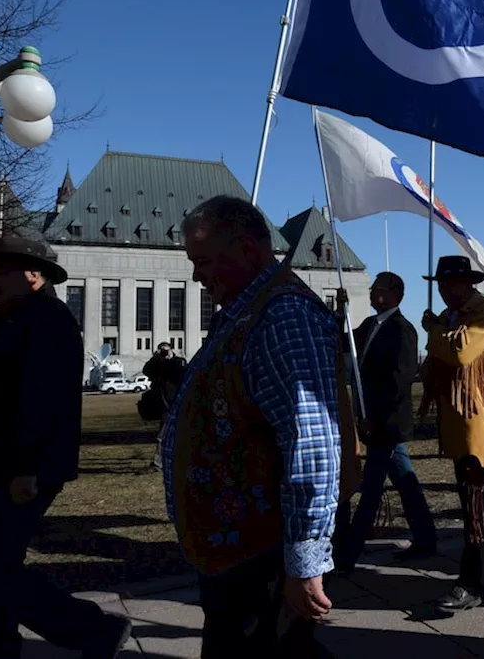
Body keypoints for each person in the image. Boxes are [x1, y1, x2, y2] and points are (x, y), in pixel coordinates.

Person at [160, 196, 359, 655]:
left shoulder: (283, 313)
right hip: (237, 548)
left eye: (204, 261)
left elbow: (312, 441)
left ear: (248, 250)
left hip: (259, 550)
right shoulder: (245, 311)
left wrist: (304, 561)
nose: (196, 276)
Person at [0, 236, 131, 659]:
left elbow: (42, 401)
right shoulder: (20, 321)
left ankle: (94, 630)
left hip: (19, 470)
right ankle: (4, 649)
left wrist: (28, 469)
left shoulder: (47, 323)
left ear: (34, 275)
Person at [419, 255, 484, 613]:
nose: (446, 291)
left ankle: (471, 583)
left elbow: (460, 353)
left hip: (480, 426)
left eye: (453, 284)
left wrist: (433, 331)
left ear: (468, 283)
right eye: (442, 285)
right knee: (479, 506)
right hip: (460, 425)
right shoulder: (452, 318)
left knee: (475, 506)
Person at [336, 272, 437, 572]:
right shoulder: (371, 326)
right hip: (373, 423)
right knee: (405, 483)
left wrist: (377, 423)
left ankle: (347, 555)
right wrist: (338, 311)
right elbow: (343, 341)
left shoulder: (402, 330)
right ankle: (426, 538)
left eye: (376, 287)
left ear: (395, 292)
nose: (371, 293)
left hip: (387, 426)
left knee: (370, 490)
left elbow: (399, 383)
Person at [143, 343, 186, 471]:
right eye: (161, 350)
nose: (163, 352)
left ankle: (163, 462)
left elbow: (179, 372)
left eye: (165, 350)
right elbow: (146, 371)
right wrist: (155, 359)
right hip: (164, 403)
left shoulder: (179, 362)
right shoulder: (158, 364)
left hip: (178, 402)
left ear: (171, 349)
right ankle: (159, 463)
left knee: (175, 434)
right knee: (163, 435)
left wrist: (168, 359)